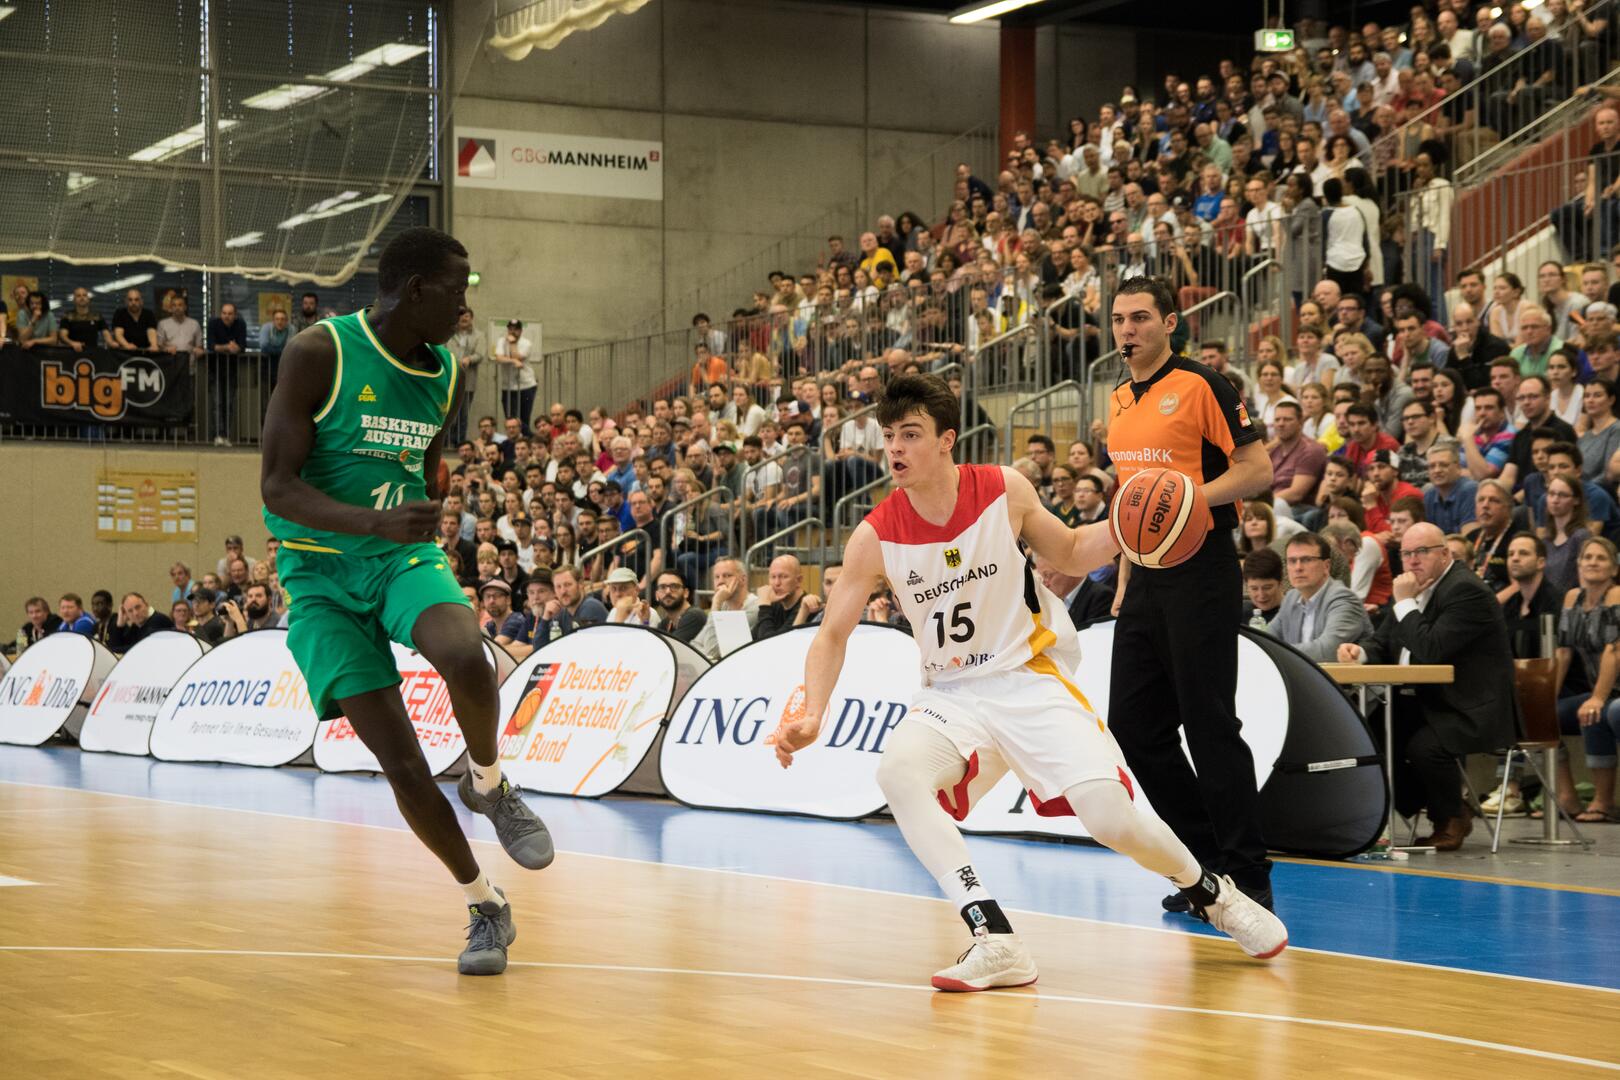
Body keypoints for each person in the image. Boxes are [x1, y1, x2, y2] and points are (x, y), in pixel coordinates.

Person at [767, 372, 1286, 994]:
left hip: (1029, 679)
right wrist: (814, 713)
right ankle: (994, 938)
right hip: (951, 695)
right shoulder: (875, 534)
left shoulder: (1002, 488)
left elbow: (1070, 553)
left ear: (947, 440)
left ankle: (1211, 893)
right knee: (897, 774)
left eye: (911, 434)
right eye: (889, 436)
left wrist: (1131, 523)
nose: (896, 449)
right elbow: (831, 634)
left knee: (1111, 819)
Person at [259, 226, 553, 977]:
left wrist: (421, 499)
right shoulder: (319, 352)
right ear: (416, 289)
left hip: (398, 557)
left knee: (467, 657)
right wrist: (374, 519)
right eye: (457, 293)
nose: (465, 309)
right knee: (403, 764)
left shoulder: (448, 372)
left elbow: (424, 462)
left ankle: (489, 784)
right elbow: (278, 487)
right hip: (319, 576)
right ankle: (485, 904)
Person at [1095, 277, 1278, 915]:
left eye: (1141, 317)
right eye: (1120, 319)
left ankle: (1248, 872)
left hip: (1202, 565)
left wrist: (1185, 498)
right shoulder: (1118, 397)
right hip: (1145, 574)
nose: (1128, 330)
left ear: (1170, 322)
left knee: (1209, 723)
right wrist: (1126, 571)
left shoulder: (1204, 384)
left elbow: (1258, 470)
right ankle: (1205, 869)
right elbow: (1130, 497)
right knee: (1133, 728)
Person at [1338, 523, 1519, 850]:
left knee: (1425, 747)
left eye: (1422, 552)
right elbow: (1383, 642)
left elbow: (1430, 649)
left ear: (1445, 553)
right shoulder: (1413, 588)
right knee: (1366, 737)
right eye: (1406, 553)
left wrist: (1405, 603)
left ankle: (1449, 817)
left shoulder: (1466, 591)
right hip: (1425, 700)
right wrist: (1359, 653)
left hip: (1471, 705)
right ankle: (1440, 804)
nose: (1412, 560)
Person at [1269, 532, 1374, 660]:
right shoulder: (1291, 598)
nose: (1298, 567)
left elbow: (1328, 651)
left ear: (1326, 566)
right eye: (1292, 561)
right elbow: (1267, 638)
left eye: (1306, 560)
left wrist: (1273, 652)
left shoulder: (1344, 600)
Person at [690, 557, 760, 661]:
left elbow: (712, 652)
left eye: (727, 576)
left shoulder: (754, 608)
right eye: (717, 577)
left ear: (743, 579)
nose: (720, 581)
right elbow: (695, 644)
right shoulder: (723, 607)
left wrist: (716, 602)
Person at [494, 319, 537, 436]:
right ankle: (514, 440)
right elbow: (499, 357)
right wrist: (513, 361)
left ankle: (528, 439)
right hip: (508, 386)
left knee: (524, 419)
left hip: (526, 385)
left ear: (521, 331)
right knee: (511, 419)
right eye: (510, 329)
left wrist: (512, 344)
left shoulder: (526, 343)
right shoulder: (501, 341)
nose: (512, 332)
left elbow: (517, 357)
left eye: (516, 329)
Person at [106, 592, 175, 653]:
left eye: (138, 607)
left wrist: (113, 649)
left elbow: (139, 648)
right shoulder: (137, 625)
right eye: (130, 611)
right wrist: (120, 626)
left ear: (146, 605)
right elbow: (115, 647)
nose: (135, 613)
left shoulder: (158, 620)